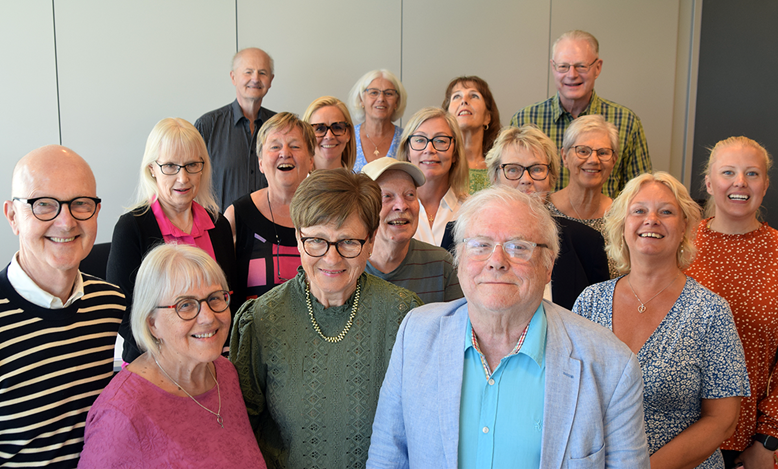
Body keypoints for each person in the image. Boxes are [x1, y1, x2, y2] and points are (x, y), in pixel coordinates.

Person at [367, 185, 650, 468]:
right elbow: (387, 457)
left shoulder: (610, 364)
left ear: (548, 265)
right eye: (480, 245)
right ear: (459, 259)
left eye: (518, 247)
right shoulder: (416, 334)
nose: (497, 262)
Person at [230, 169, 423, 469]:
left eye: (347, 242)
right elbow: (241, 434)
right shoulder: (261, 320)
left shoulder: (403, 316)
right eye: (317, 240)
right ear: (298, 237)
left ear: (371, 241)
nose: (331, 259)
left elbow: (421, 430)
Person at [574, 172, 750, 469]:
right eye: (639, 210)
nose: (651, 219)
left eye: (666, 212)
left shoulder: (711, 312)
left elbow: (722, 421)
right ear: (622, 225)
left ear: (684, 227)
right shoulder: (590, 302)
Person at [80, 244, 266, 468]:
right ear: (152, 323)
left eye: (215, 298)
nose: (208, 317)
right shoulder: (121, 417)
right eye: (185, 305)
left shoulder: (225, 372)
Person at [1, 145, 125, 466]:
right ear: (13, 217)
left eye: (80, 203)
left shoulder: (113, 305)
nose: (66, 222)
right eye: (44, 205)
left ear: (96, 212)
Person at [107, 117, 236, 364]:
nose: (183, 178)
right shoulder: (131, 228)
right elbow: (122, 315)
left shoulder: (218, 226)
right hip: (152, 365)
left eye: (191, 165)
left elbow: (230, 299)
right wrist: (176, 362)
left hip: (213, 359)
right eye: (170, 166)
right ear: (152, 169)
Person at [685, 137, 778, 469]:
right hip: (677, 434)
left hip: (751, 444)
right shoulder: (680, 245)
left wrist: (769, 440)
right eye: (729, 172)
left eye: (752, 174)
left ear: (765, 185)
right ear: (709, 183)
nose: (740, 182)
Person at [481, 125, 610, 309]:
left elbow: (597, 324)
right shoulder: (462, 237)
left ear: (552, 176)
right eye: (513, 169)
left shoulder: (587, 244)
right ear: (495, 178)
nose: (526, 179)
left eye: (537, 169)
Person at [510, 30, 651, 197]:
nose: (572, 75)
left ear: (597, 68)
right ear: (553, 67)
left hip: (603, 222)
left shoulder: (626, 122)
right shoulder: (525, 120)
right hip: (540, 221)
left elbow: (639, 193)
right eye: (563, 66)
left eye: (581, 66)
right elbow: (509, 186)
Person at [224, 112, 314, 308]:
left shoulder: (326, 215)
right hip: (252, 335)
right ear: (261, 163)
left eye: (295, 146)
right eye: (275, 146)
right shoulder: (237, 216)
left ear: (311, 160)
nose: (285, 153)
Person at [361, 157, 463, 303]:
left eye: (409, 195)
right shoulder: (347, 264)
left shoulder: (442, 265)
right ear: (364, 208)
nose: (402, 206)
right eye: (387, 196)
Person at [195, 47, 277, 211]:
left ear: (271, 80)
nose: (255, 78)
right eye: (248, 72)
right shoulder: (207, 126)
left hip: (272, 230)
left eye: (262, 72)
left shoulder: (280, 127)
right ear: (233, 77)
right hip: (221, 231)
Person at [548, 114, 619, 277]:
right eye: (583, 151)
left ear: (613, 160)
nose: (593, 160)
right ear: (564, 157)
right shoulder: (543, 211)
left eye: (603, 153)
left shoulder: (623, 218)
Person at [397, 107, 468, 247]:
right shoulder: (390, 209)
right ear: (407, 152)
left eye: (441, 141)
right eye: (420, 140)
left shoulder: (471, 210)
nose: (429, 149)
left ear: (455, 153)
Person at [442, 75, 501, 194]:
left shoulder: (501, 167)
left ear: (487, 117)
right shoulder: (439, 165)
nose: (464, 101)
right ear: (446, 115)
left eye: (474, 95)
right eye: (456, 96)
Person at [347, 69, 408, 172]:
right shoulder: (347, 138)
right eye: (374, 92)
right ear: (361, 99)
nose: (381, 99)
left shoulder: (406, 140)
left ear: (397, 102)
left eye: (388, 93)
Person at [302, 96, 356, 170]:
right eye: (319, 128)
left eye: (337, 127)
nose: (329, 136)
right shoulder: (294, 181)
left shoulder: (359, 181)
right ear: (306, 135)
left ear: (348, 134)